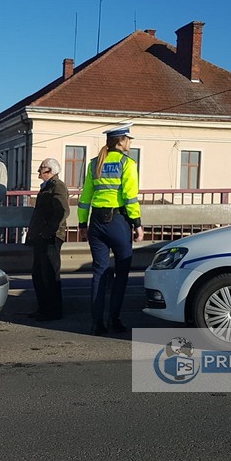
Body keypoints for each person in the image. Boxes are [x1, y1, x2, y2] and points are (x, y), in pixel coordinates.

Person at [77, 123, 144, 335]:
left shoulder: (95, 163)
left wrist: (81, 224)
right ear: (121, 141)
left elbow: (85, 197)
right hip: (118, 222)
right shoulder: (127, 163)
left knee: (99, 272)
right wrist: (137, 223)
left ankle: (97, 322)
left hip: (96, 222)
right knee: (122, 272)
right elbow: (130, 196)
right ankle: (114, 319)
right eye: (129, 139)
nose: (130, 143)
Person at [26, 158, 69, 322]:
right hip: (42, 236)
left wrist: (48, 232)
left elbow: (62, 211)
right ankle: (43, 309)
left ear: (49, 171)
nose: (38, 173)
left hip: (51, 237)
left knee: (50, 274)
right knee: (39, 274)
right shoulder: (48, 186)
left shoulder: (57, 186)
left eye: (41, 170)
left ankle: (52, 311)